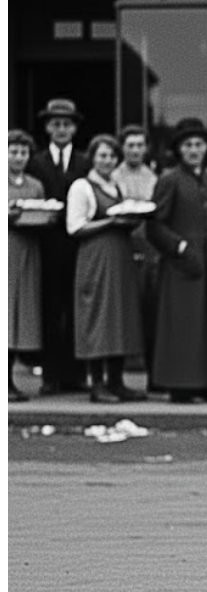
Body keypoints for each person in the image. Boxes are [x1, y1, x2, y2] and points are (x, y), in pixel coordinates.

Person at [147, 119, 207, 403]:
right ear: (179, 150)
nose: (194, 150)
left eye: (198, 144)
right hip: (181, 266)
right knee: (183, 327)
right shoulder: (169, 179)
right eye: (188, 145)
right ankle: (180, 386)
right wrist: (179, 247)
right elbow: (155, 225)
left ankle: (202, 382)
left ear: (206, 148)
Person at [65, 134, 145, 404]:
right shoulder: (82, 187)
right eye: (102, 155)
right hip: (95, 257)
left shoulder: (116, 186)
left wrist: (131, 220)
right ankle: (97, 383)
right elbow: (74, 227)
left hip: (119, 258)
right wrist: (110, 222)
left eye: (111, 156)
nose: (107, 161)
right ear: (92, 157)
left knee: (119, 317)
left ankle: (117, 380)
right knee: (97, 317)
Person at [28, 97, 90, 394]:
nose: (61, 129)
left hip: (78, 245)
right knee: (50, 310)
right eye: (56, 124)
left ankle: (75, 375)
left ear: (74, 129)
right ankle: (50, 376)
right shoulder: (36, 162)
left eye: (67, 124)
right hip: (46, 245)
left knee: (78, 310)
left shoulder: (85, 162)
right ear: (48, 128)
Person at [112, 124, 160, 391]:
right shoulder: (113, 175)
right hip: (122, 244)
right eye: (130, 145)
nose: (135, 150)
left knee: (150, 311)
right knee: (122, 312)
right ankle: (118, 376)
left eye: (140, 145)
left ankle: (154, 375)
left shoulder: (153, 177)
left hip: (149, 246)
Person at [8, 130, 45, 401]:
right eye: (13, 152)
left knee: (22, 315)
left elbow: (41, 212)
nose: (19, 157)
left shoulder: (35, 185)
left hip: (28, 250)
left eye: (23, 152)